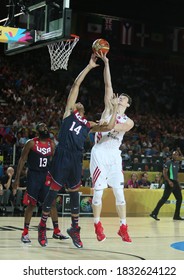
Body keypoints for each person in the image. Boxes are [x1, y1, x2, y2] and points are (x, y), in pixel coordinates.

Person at [37, 53, 119, 248]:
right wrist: (90, 67)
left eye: (80, 103)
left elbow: (108, 127)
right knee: (53, 193)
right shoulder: (68, 113)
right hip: (63, 154)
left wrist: (115, 109)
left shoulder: (88, 124)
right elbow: (75, 85)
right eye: (76, 102)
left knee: (75, 194)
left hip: (76, 158)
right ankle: (42, 226)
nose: (78, 102)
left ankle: (75, 229)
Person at [90, 52, 134, 243]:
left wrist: (114, 111)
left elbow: (115, 127)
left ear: (128, 104)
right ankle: (97, 224)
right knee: (98, 192)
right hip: (100, 151)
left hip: (114, 155)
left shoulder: (129, 121)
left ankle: (123, 227)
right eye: (120, 97)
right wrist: (106, 62)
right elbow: (108, 85)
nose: (120, 98)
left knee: (119, 193)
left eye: (123, 99)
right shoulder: (108, 108)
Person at [13, 123, 67, 244]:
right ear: (37, 131)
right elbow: (22, 160)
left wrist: (57, 177)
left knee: (52, 203)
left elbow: (54, 163)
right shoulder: (31, 143)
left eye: (46, 127)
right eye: (42, 127)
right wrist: (16, 179)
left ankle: (56, 230)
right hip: (34, 176)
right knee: (31, 204)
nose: (46, 128)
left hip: (46, 176)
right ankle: (25, 232)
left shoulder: (51, 144)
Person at [149, 150, 184, 221]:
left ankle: (176, 216)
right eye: (174, 154)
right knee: (164, 199)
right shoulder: (168, 163)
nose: (175, 156)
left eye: (177, 155)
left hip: (175, 183)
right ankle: (154, 213)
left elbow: (176, 175)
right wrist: (168, 181)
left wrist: (179, 184)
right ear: (172, 156)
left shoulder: (177, 164)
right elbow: (164, 172)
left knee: (179, 199)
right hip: (169, 182)